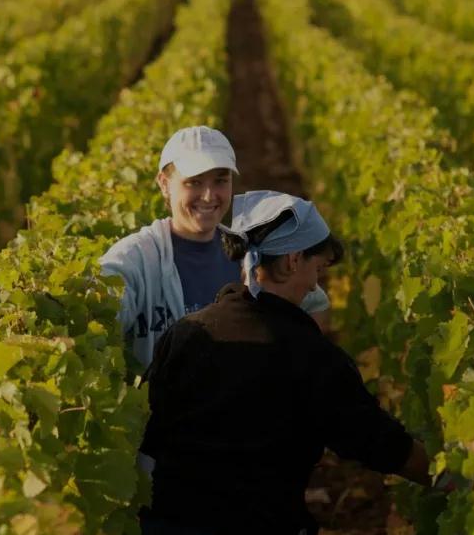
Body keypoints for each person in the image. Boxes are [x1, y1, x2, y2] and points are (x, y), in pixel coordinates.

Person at [139, 191, 432, 535]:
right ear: (293, 260)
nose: (317, 282)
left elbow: (149, 430)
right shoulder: (310, 355)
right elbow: (375, 441)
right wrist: (446, 474)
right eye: (317, 267)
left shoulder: (188, 332)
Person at [100, 126, 330, 375]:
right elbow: (103, 303)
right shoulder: (139, 258)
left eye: (220, 181)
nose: (209, 196)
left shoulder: (250, 252)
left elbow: (313, 303)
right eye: (194, 183)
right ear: (164, 184)